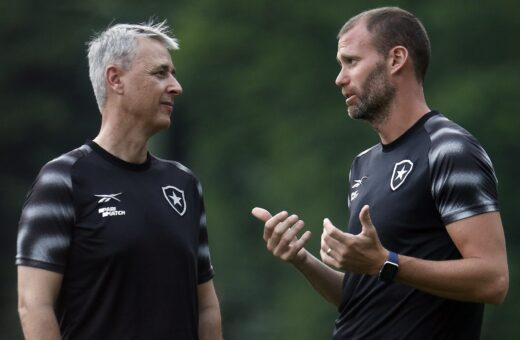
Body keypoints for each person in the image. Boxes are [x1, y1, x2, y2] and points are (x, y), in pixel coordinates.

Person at [252, 6, 508, 339]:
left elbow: (493, 280)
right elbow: (361, 297)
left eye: (351, 62)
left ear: (396, 59)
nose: (340, 78)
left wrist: (384, 262)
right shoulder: (363, 164)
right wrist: (301, 259)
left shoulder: (449, 149)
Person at [16, 21, 221, 340]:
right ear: (115, 79)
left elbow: (207, 306)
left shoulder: (184, 184)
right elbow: (33, 305)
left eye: (174, 74)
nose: (175, 86)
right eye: (160, 73)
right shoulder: (63, 179)